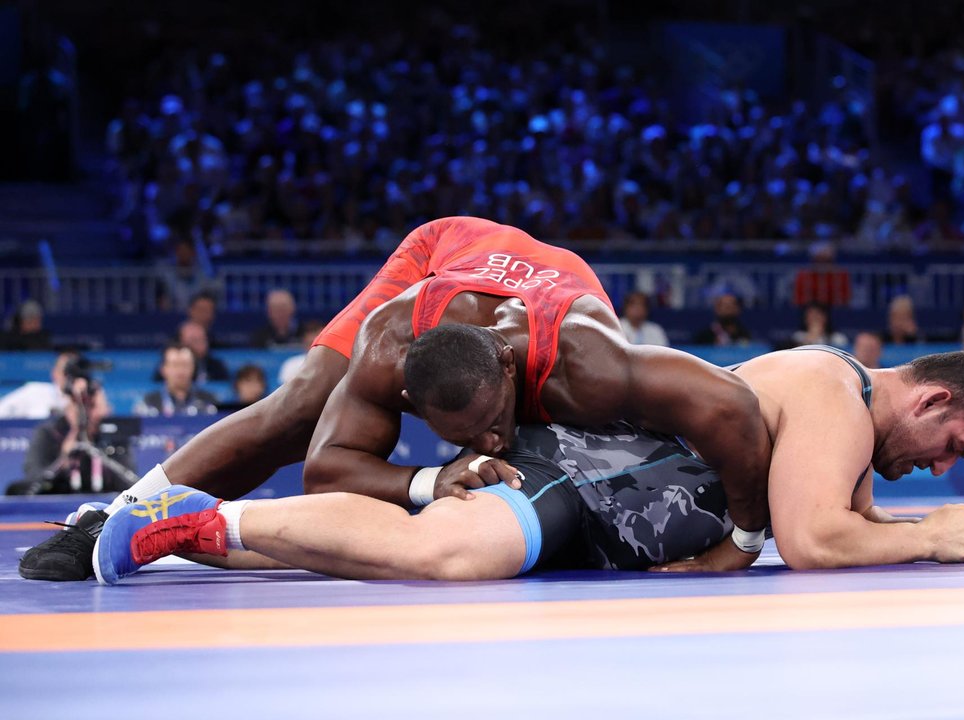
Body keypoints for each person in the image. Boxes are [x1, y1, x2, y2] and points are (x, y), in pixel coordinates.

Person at [22, 217, 769, 581]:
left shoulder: (592, 367)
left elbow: (731, 406)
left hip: (535, 289)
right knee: (301, 404)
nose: (492, 444)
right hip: (441, 254)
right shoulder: (390, 345)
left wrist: (742, 542)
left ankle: (191, 527)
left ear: (511, 376)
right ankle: (112, 514)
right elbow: (326, 466)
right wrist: (430, 478)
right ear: (408, 394)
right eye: (467, 437)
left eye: (493, 427)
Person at [92, 348, 964, 584]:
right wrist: (926, 536)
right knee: (445, 556)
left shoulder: (838, 406)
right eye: (955, 447)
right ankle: (193, 515)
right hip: (597, 479)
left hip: (611, 500)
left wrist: (900, 531)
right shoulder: (830, 389)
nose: (941, 470)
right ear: (929, 401)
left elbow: (834, 523)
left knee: (403, 547)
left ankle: (191, 534)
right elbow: (812, 542)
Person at [13, 377, 136, 498]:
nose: (85, 412)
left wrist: (97, 450)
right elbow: (33, 479)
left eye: (92, 406)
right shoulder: (49, 433)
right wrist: (63, 460)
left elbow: (129, 485)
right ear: (67, 408)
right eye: (78, 405)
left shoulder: (113, 435)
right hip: (56, 508)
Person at [133, 342, 219, 417]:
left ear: (193, 368)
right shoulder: (148, 402)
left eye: (185, 365)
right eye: (175, 365)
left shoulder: (210, 401)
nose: (180, 371)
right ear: (163, 369)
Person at [0, 351, 77, 419]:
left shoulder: (86, 397)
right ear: (55, 373)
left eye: (74, 372)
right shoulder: (35, 392)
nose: (70, 377)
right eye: (66, 371)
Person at [277, 320, 326, 385]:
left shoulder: (333, 364)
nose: (314, 348)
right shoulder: (291, 364)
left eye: (317, 344)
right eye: (310, 343)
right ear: (304, 342)